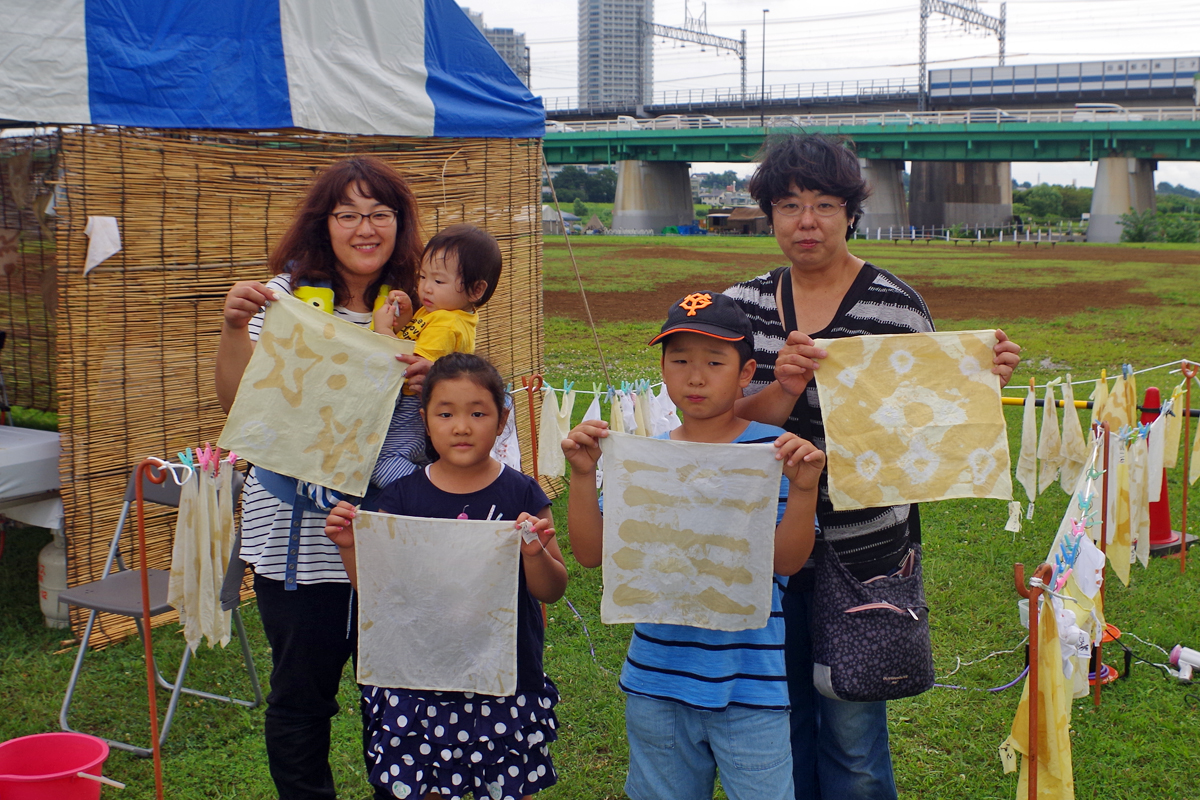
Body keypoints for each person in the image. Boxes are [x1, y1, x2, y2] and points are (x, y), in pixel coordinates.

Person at [723, 132, 1022, 800]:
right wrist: (783, 388)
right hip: (761, 545)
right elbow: (713, 424)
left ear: (850, 213)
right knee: (780, 720)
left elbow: (930, 416)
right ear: (768, 214)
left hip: (867, 550)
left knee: (855, 736)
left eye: (825, 205)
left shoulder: (894, 304)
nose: (807, 222)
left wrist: (976, 375)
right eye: (790, 205)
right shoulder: (737, 308)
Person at [215, 155, 431, 800]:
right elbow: (238, 401)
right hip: (294, 538)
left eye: (380, 214)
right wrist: (232, 326)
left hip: (389, 535)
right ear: (324, 224)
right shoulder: (282, 302)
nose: (365, 228)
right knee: (302, 697)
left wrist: (426, 389)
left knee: (394, 692)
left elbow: (450, 420)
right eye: (348, 215)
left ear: (399, 224)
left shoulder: (419, 305)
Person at [561, 292, 827, 800]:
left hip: (751, 684)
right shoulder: (646, 456)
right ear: (662, 368)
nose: (696, 376)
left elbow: (788, 561)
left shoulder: (772, 452)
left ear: (746, 371)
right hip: (656, 681)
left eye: (714, 361)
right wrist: (582, 476)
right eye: (679, 360)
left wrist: (807, 488)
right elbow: (593, 554)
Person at [323, 353, 568, 800]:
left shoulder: (522, 493)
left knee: (507, 786)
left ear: (502, 419)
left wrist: (533, 553)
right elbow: (377, 591)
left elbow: (552, 589)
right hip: (421, 677)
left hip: (503, 675)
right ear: (425, 420)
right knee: (426, 788)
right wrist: (350, 547)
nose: (461, 426)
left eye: (478, 413)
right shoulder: (400, 498)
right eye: (446, 413)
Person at [369, 223, 503, 487]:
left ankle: (427, 492)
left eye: (438, 280)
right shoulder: (441, 312)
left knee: (381, 459)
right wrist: (406, 316)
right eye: (422, 277)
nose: (426, 288)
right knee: (412, 456)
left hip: (411, 405)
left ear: (476, 290)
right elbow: (415, 337)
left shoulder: (447, 324)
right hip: (426, 407)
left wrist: (384, 330)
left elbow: (407, 366)